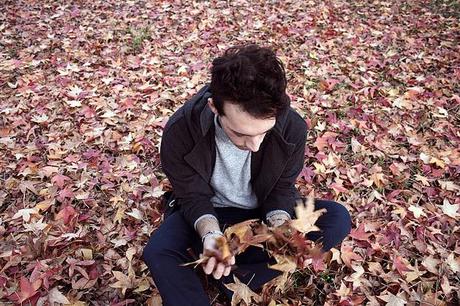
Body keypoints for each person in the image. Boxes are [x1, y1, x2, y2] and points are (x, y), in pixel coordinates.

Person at [142, 44, 351, 306]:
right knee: (159, 252)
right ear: (214, 108)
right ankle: (219, 263)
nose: (254, 145)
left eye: (263, 132)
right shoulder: (181, 131)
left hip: (261, 212)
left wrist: (281, 228)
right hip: (208, 210)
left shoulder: (292, 128)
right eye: (240, 133)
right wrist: (210, 235)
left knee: (337, 218)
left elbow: (281, 189)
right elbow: (192, 196)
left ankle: (236, 278)